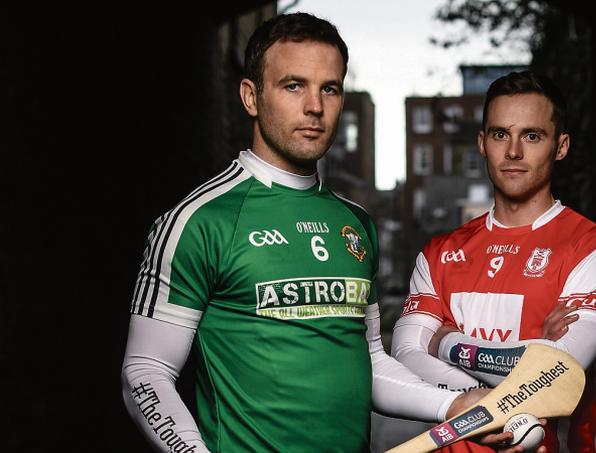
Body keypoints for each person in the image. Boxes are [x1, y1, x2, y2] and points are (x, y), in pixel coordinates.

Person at [121, 12, 491, 453]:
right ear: (251, 96)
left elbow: (369, 364)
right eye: (293, 85)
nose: (314, 106)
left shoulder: (356, 224)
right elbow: (145, 374)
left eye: (329, 88)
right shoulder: (199, 221)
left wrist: (455, 405)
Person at [391, 70, 596, 453]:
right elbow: (405, 356)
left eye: (532, 136)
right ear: (482, 143)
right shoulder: (439, 253)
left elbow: (558, 375)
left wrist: (444, 343)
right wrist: (537, 346)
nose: (514, 151)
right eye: (500, 134)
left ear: (561, 146)